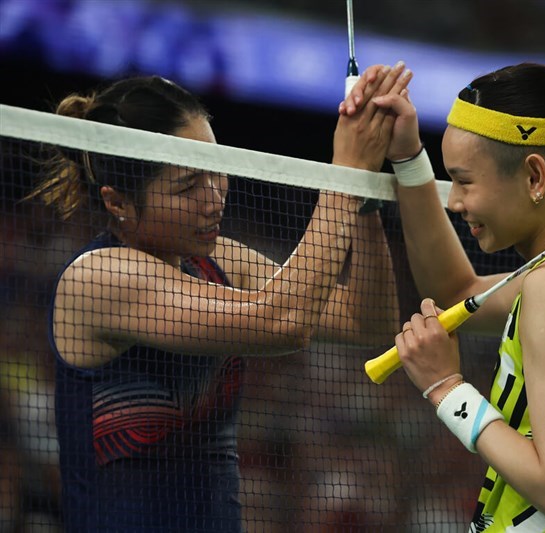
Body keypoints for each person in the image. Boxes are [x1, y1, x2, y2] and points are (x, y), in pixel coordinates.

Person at [25, 64, 409, 532]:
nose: (213, 199)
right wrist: (345, 171)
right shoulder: (100, 276)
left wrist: (364, 188)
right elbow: (283, 322)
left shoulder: (219, 259)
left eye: (216, 172)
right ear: (117, 202)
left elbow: (365, 321)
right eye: (187, 186)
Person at [342, 60, 545, 530]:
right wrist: (407, 158)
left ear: (535, 177)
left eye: (465, 180)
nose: (454, 201)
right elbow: (456, 291)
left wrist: (447, 389)